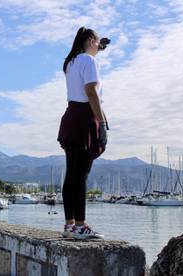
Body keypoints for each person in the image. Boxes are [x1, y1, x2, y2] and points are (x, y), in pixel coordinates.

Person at [58, 27, 110, 239]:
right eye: (96, 42)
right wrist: (102, 122)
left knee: (72, 174)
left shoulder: (71, 63)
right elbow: (91, 93)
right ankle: (81, 225)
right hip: (83, 117)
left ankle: (70, 225)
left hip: (71, 116)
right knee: (81, 176)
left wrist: (100, 47)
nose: (99, 46)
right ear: (90, 40)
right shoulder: (88, 61)